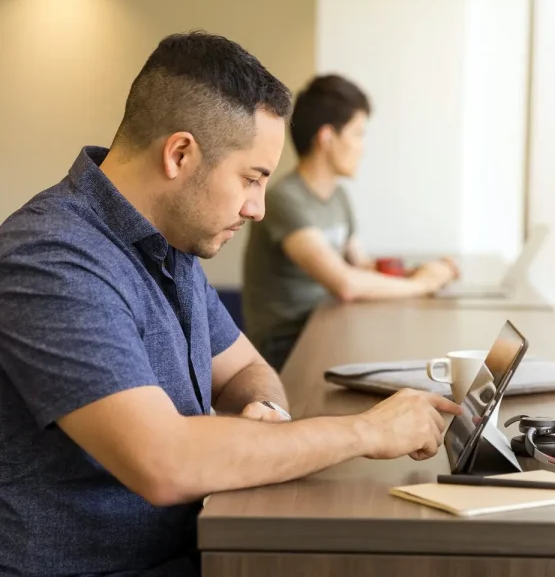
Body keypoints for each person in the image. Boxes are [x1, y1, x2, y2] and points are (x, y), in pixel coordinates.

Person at [0, 32, 461, 577]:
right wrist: (368, 431)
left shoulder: (169, 242)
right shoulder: (50, 259)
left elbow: (244, 366)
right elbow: (163, 461)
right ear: (180, 154)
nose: (258, 208)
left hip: (198, 543)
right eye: (251, 178)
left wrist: (265, 413)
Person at [242, 75, 458, 371]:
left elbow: (361, 267)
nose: (363, 147)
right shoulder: (285, 199)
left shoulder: (338, 197)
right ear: (327, 138)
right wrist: (421, 285)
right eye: (358, 134)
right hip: (288, 347)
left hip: (328, 325)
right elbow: (345, 283)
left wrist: (419, 271)